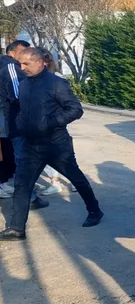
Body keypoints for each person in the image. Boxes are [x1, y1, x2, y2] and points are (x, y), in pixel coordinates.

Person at [0, 48, 103, 241]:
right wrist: (20, 126)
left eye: (26, 64)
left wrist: (50, 123)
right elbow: (22, 111)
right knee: (22, 185)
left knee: (77, 179)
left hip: (57, 144)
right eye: (20, 64)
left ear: (40, 62)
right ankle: (16, 228)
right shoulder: (24, 85)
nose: (22, 68)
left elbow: (75, 109)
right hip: (31, 145)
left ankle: (95, 210)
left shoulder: (57, 83)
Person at [0, 40, 49, 209]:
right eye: (24, 51)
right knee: (24, 160)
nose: (27, 55)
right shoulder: (11, 68)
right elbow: (18, 97)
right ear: (13, 53)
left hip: (14, 123)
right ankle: (29, 198)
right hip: (17, 123)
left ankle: (29, 196)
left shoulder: (11, 66)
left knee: (22, 159)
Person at [36, 48, 76, 196]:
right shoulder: (33, 80)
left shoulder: (57, 79)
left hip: (55, 124)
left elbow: (71, 106)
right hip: (41, 124)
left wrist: (56, 120)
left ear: (45, 62)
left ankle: (74, 181)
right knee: (50, 155)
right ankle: (56, 182)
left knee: (63, 155)